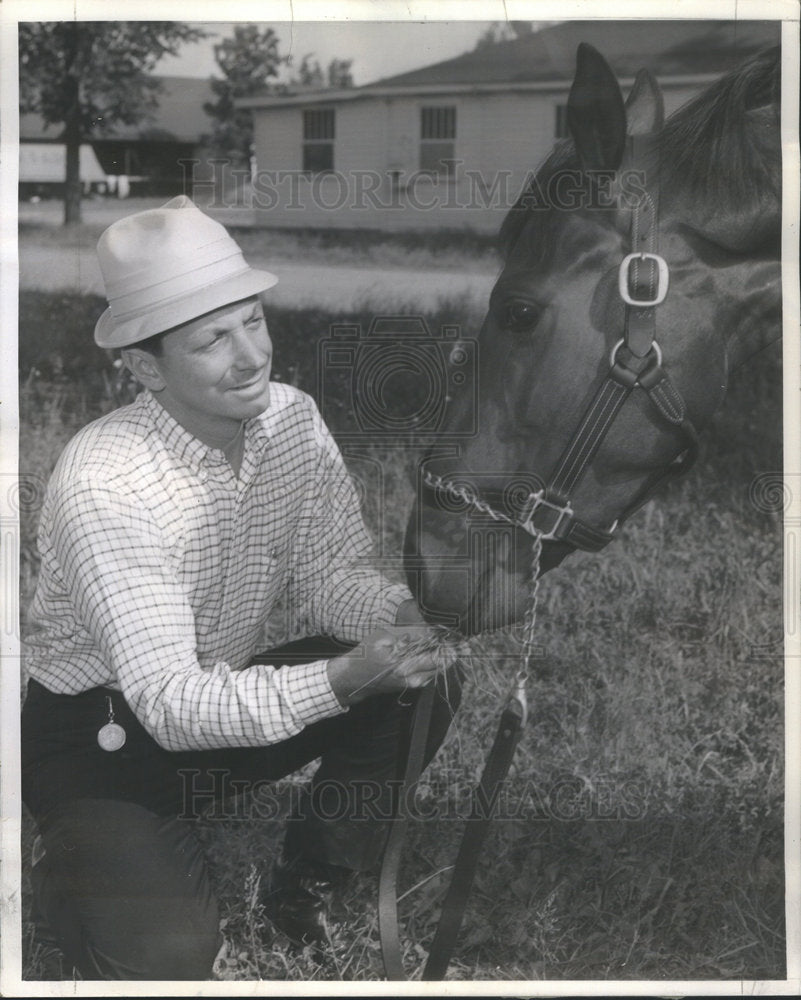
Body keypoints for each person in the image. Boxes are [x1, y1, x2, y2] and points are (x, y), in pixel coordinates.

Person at [21, 196, 461, 980]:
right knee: (170, 960)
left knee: (424, 685)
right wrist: (338, 678)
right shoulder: (106, 482)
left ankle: (308, 887)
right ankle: (69, 863)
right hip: (101, 735)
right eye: (211, 340)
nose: (251, 355)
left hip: (214, 702)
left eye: (253, 320)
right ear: (145, 366)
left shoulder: (291, 420)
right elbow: (166, 702)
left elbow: (330, 575)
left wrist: (403, 613)